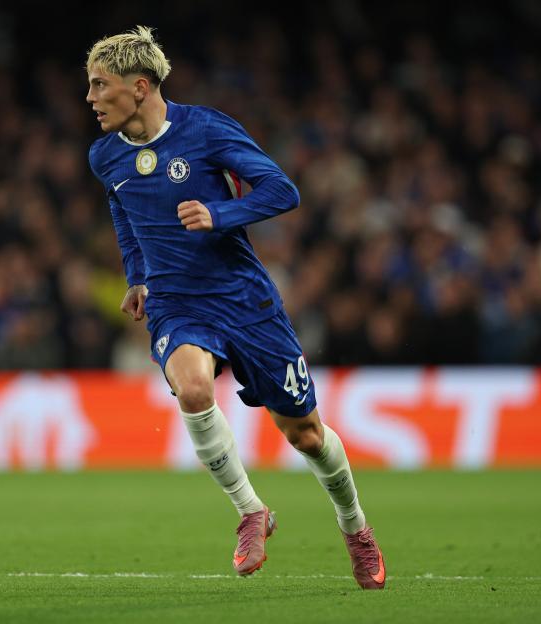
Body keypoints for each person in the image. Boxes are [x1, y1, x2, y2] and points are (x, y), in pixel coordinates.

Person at [85, 26, 385, 589]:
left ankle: (355, 528)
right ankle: (250, 511)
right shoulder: (105, 156)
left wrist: (220, 215)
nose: (91, 97)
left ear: (141, 87)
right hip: (176, 304)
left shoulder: (205, 129)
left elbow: (282, 190)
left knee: (307, 437)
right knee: (194, 390)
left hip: (244, 302)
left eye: (101, 85)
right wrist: (137, 276)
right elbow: (123, 214)